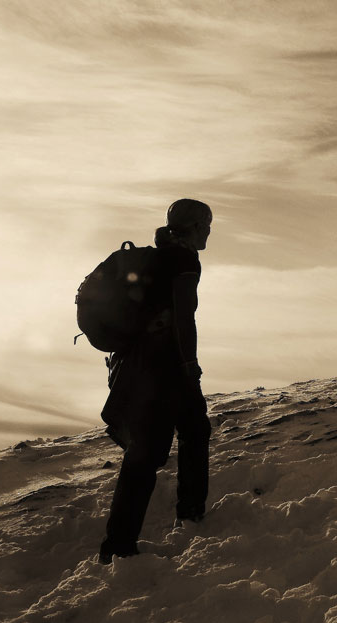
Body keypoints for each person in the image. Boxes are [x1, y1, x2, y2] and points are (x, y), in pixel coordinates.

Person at [98, 199, 213, 564]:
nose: (209, 231)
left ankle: (180, 518)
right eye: (205, 224)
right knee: (151, 453)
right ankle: (121, 545)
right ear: (193, 227)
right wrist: (189, 363)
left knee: (191, 430)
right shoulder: (183, 261)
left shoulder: (157, 257)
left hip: (141, 365)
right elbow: (183, 319)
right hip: (166, 367)